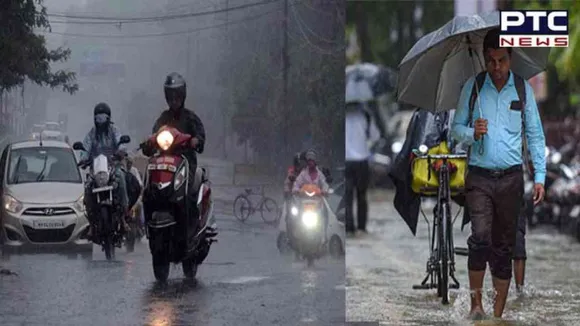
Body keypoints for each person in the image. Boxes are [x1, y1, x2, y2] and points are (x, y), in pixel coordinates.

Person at [451, 28, 546, 320]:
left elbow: (535, 134)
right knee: (480, 237)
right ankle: (476, 305)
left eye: (501, 61)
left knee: (504, 245)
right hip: (479, 177)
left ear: (510, 58)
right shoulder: (473, 88)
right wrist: (471, 133)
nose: (496, 67)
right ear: (483, 57)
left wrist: (540, 175)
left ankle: (498, 314)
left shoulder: (522, 89)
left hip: (511, 178)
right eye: (490, 61)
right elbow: (456, 130)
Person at [144, 72, 206, 250]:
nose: (174, 99)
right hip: (164, 164)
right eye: (171, 95)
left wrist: (196, 140)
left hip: (185, 161)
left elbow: (200, 136)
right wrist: (148, 142)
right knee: (149, 191)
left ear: (183, 95)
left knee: (189, 193)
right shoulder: (163, 118)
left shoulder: (190, 118)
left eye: (177, 95)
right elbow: (154, 135)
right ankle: (148, 227)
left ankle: (192, 231)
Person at [81, 102, 130, 239]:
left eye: (103, 118)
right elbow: (85, 148)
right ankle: (91, 224)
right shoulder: (92, 133)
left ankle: (123, 218)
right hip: (96, 169)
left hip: (112, 166)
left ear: (108, 118)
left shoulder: (114, 131)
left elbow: (121, 142)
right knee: (88, 187)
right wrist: (84, 159)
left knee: (121, 179)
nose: (101, 122)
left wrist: (121, 152)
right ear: (94, 119)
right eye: (98, 118)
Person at [345, 101, 380, 237]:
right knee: (361, 195)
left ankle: (349, 228)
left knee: (347, 196)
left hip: (347, 160)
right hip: (362, 161)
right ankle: (361, 227)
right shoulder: (365, 115)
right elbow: (375, 136)